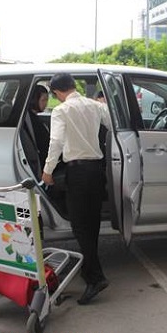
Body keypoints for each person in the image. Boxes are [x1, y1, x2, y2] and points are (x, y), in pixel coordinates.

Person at [42, 73, 111, 305]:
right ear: (74, 86)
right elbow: (113, 124)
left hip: (78, 173)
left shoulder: (61, 111)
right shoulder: (94, 106)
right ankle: (89, 272)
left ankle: (96, 277)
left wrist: (48, 170)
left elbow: (56, 142)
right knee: (91, 225)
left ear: (57, 92)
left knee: (81, 227)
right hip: (97, 171)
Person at [28, 84, 50, 169]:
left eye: (47, 100)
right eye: (43, 100)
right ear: (34, 100)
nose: (46, 103)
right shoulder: (34, 122)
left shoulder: (33, 118)